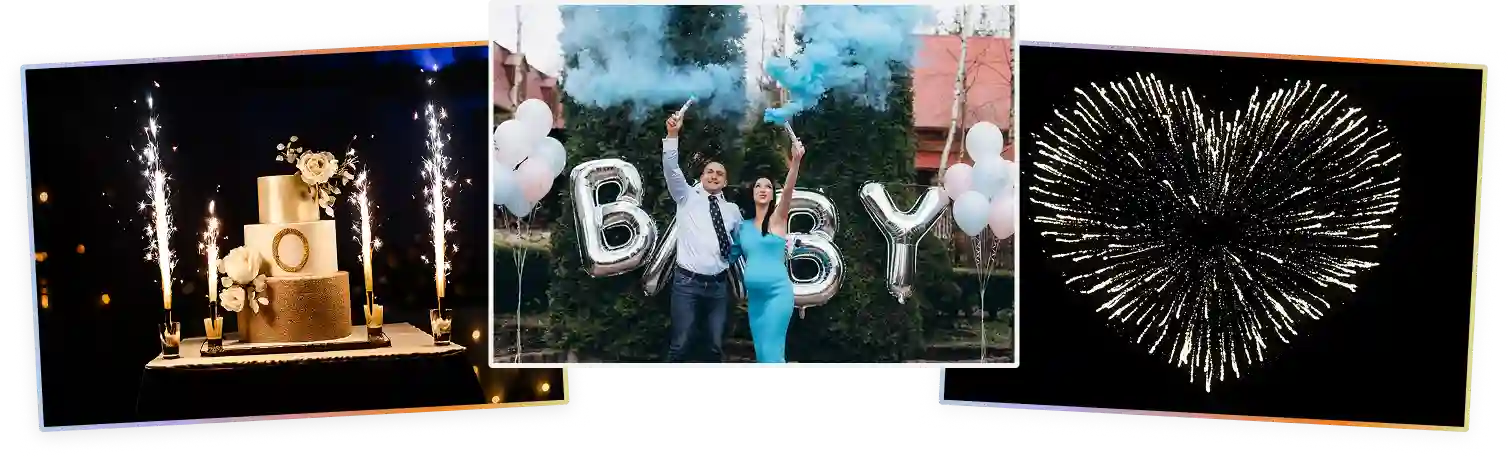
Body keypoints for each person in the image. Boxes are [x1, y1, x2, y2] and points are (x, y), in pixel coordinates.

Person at [662, 112, 742, 362]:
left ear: (725, 181)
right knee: (681, 344)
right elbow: (672, 169)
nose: (714, 175)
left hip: (718, 286)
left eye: (720, 173)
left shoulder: (732, 211)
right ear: (701, 176)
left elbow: (739, 243)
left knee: (715, 347)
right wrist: (672, 135)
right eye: (710, 171)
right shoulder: (686, 197)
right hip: (687, 284)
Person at [733, 139, 805, 363]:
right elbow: (728, 256)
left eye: (768, 187)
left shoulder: (777, 219)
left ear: (773, 194)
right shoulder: (742, 227)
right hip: (755, 298)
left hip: (777, 294)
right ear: (752, 192)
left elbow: (789, 191)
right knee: (762, 353)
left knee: (773, 352)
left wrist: (795, 161)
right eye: (758, 186)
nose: (763, 190)